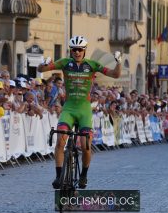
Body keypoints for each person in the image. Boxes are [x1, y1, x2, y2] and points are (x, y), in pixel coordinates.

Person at [38, 35, 122, 189]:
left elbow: (115, 75)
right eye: (74, 50)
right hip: (69, 108)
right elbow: (42, 70)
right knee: (60, 141)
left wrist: (118, 62)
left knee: (85, 146)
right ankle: (58, 176)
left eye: (80, 50)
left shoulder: (92, 64)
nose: (77, 52)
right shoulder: (65, 63)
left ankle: (83, 175)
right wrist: (43, 63)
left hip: (84, 110)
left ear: (84, 50)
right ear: (71, 51)